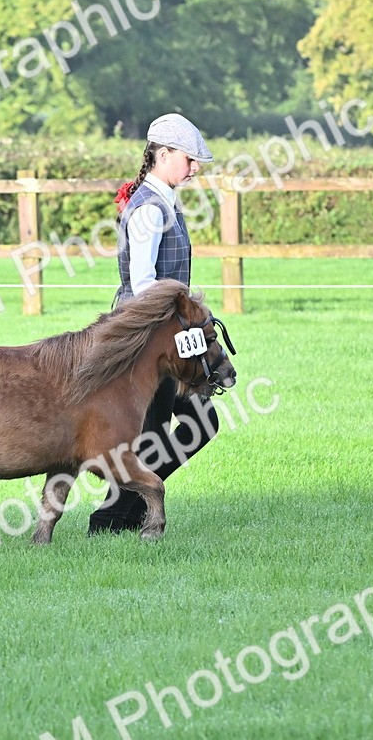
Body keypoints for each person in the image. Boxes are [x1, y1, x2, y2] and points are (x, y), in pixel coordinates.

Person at [87, 113, 222, 534]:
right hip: (149, 341)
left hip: (169, 337)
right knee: (158, 430)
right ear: (162, 156)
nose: (194, 167)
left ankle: (121, 512)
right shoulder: (149, 210)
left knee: (191, 423)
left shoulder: (163, 200)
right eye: (188, 159)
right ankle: (114, 516)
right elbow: (145, 286)